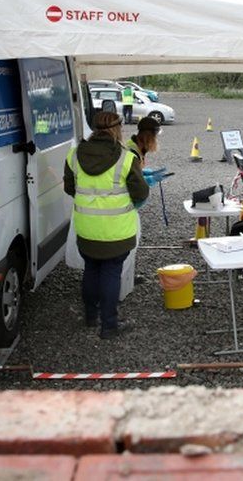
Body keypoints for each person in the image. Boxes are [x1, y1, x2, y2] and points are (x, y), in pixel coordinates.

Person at [63, 111, 148, 339]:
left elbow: (69, 188)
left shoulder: (74, 155)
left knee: (91, 270)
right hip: (117, 232)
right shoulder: (126, 157)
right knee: (111, 273)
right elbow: (141, 192)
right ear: (118, 128)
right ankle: (109, 325)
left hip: (87, 229)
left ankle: (91, 316)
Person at [120, 116, 166, 298]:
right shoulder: (131, 151)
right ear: (149, 136)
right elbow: (129, 180)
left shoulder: (137, 148)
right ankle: (123, 280)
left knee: (132, 242)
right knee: (128, 242)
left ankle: (128, 277)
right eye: (156, 136)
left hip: (129, 203)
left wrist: (145, 174)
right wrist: (146, 179)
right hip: (125, 205)